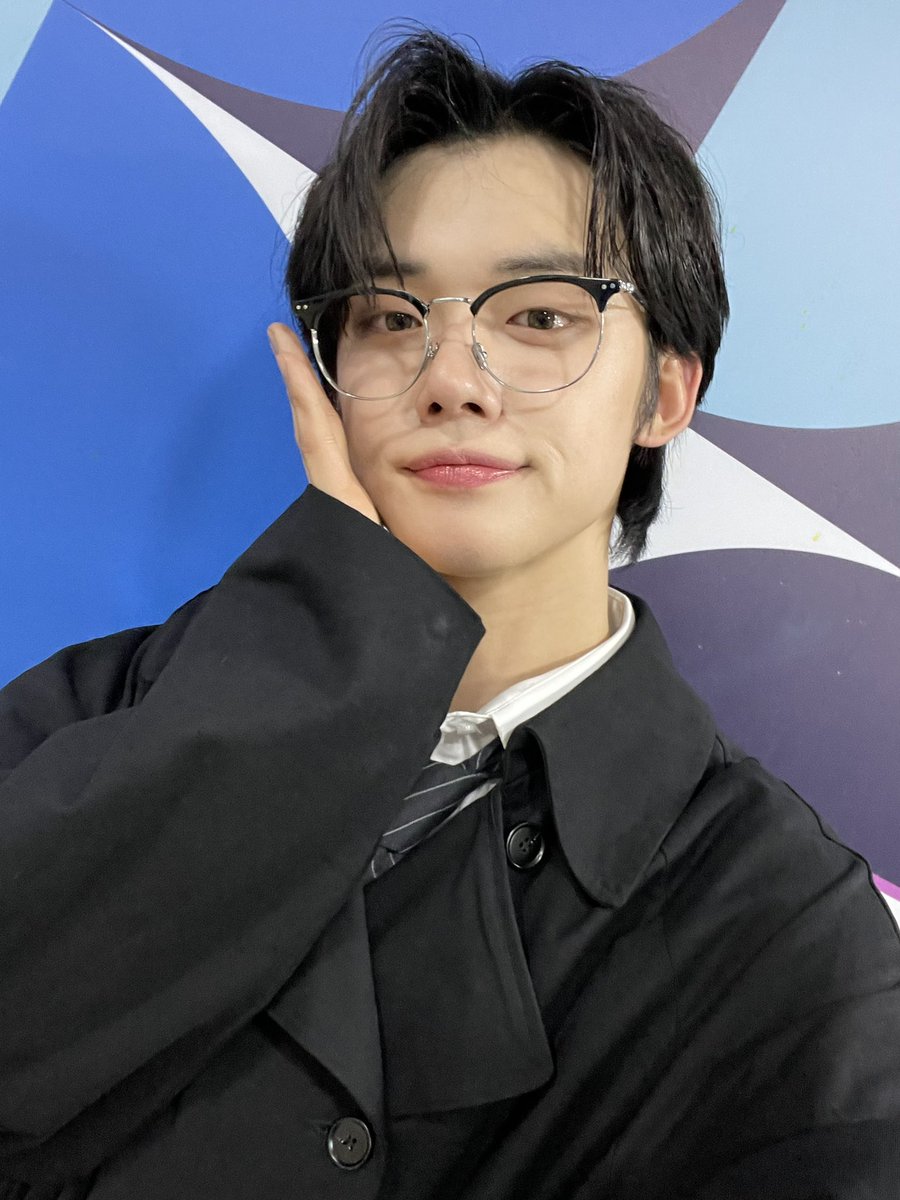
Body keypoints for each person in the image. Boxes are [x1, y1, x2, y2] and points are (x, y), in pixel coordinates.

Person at [1, 28, 898, 1200]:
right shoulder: (94, 712)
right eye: (389, 317)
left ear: (665, 392)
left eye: (541, 316)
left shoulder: (781, 921)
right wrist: (317, 659)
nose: (453, 377)